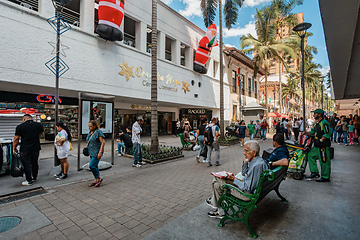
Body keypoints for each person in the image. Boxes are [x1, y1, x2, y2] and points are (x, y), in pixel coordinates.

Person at [206, 140, 268, 218]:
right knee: (216, 184)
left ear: (254, 152)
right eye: (244, 150)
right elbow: (244, 173)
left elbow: (247, 188)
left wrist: (234, 179)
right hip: (253, 190)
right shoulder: (258, 161)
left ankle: (215, 204)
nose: (244, 153)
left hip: (247, 195)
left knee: (217, 181)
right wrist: (245, 162)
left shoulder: (256, 166)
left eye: (246, 151)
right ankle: (219, 209)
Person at [12, 114, 44, 186]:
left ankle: (29, 180)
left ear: (24, 119)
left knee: (27, 164)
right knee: (35, 162)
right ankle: (34, 177)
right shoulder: (38, 125)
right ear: (31, 118)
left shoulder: (20, 126)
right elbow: (42, 133)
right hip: (36, 147)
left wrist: (14, 148)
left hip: (25, 148)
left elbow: (16, 138)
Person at [302, 109, 332, 182]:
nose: (314, 115)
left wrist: (321, 140)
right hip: (317, 146)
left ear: (319, 114)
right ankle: (314, 172)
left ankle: (325, 177)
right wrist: (305, 133)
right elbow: (312, 132)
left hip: (323, 146)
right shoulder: (316, 123)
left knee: (324, 161)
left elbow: (328, 133)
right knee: (310, 155)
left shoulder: (324, 122)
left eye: (315, 114)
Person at [87, 120, 105, 187]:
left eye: (91, 126)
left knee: (91, 165)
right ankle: (96, 179)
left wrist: (100, 152)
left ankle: (99, 178)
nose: (89, 127)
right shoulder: (90, 132)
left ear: (95, 126)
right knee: (95, 166)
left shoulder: (98, 132)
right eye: (89, 126)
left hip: (96, 152)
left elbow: (103, 142)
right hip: (91, 152)